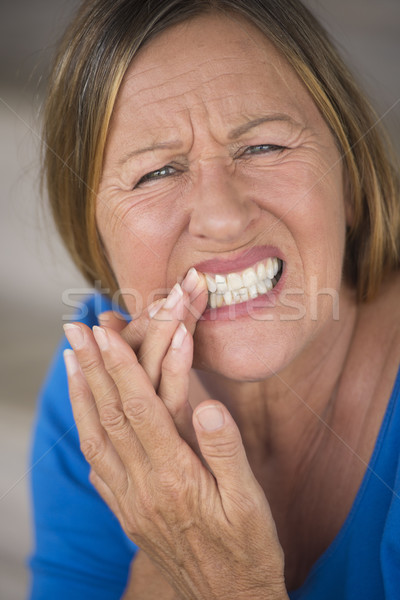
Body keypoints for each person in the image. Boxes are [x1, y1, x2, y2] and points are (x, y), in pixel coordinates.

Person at [28, 0, 400, 598]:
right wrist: (167, 550)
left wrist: (233, 585)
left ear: (350, 182)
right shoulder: (99, 386)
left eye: (264, 148)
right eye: (157, 172)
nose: (224, 219)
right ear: (97, 239)